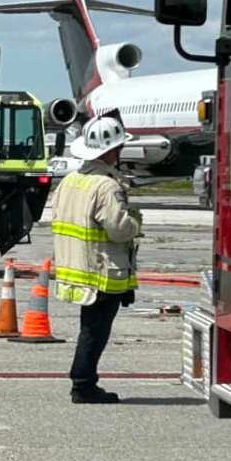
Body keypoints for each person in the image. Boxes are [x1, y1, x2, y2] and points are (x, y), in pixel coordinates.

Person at [51, 113, 141, 404]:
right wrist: (136, 220)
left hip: (75, 268)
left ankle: (83, 381)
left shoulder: (70, 181)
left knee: (89, 326)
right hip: (101, 272)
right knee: (95, 331)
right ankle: (83, 383)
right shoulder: (106, 186)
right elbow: (119, 230)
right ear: (111, 150)